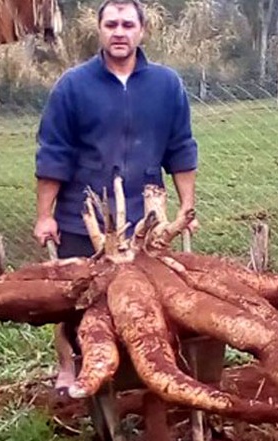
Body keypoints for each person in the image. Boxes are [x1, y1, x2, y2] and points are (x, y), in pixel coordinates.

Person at [32, 0, 200, 395]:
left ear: (141, 31)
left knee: (148, 298)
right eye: (111, 24)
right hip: (81, 216)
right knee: (74, 301)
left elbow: (181, 148)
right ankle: (69, 366)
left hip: (145, 220)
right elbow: (53, 153)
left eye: (127, 24)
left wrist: (187, 206)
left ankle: (143, 365)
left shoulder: (166, 85)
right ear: (100, 30)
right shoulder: (73, 85)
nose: (119, 32)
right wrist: (45, 215)